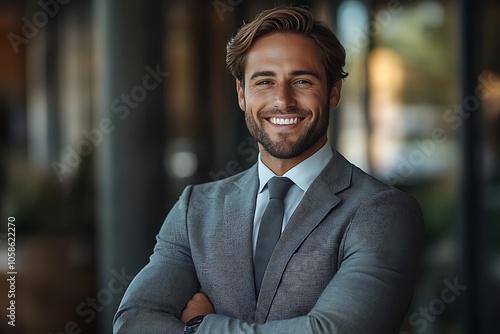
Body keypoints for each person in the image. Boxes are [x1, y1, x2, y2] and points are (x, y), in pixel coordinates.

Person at [113, 5, 424, 334]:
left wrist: (200, 326)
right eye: (264, 82)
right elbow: (134, 321)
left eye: (302, 80)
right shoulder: (196, 209)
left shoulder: (382, 212)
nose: (282, 100)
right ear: (242, 94)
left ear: (334, 91)